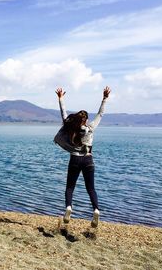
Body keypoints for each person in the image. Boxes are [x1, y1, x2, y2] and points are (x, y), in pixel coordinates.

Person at [55, 86, 111, 228]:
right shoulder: (90, 128)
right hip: (88, 159)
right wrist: (104, 98)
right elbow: (101, 114)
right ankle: (96, 210)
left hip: (74, 159)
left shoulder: (70, 128)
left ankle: (68, 207)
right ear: (85, 120)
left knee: (70, 188)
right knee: (91, 188)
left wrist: (61, 98)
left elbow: (63, 113)